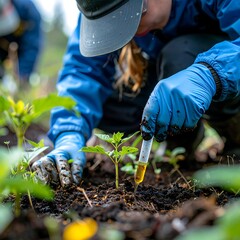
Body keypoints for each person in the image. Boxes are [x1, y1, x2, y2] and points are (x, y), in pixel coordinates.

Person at [32, 0, 240, 187]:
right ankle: (181, 140)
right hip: (164, 75)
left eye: (133, 16)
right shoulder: (100, 7)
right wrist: (69, 133)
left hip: (222, 72)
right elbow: (82, 73)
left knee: (179, 54)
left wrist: (211, 74)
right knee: (106, 101)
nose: (128, 31)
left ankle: (233, 133)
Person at [0, 0, 43, 83]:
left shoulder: (28, 11)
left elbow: (31, 49)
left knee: (20, 84)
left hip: (20, 51)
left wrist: (21, 77)